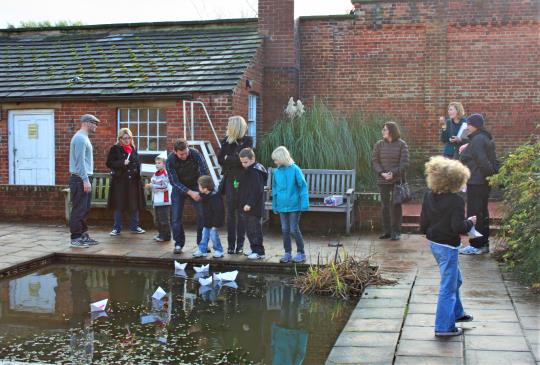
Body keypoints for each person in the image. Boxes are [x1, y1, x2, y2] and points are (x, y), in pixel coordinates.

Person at [420, 156, 476, 337]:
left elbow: (422, 225)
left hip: (435, 244)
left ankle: (457, 313)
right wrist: (470, 222)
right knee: (448, 286)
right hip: (448, 247)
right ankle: (444, 327)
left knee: (455, 280)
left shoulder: (428, 196)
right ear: (456, 180)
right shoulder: (456, 201)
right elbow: (457, 228)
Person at [459, 113, 497, 255]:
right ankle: (482, 244)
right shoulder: (480, 138)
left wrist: (487, 177)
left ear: (475, 125)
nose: (467, 127)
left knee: (475, 214)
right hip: (479, 181)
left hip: (477, 182)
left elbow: (482, 161)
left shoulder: (478, 139)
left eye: (468, 124)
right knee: (481, 213)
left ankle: (476, 245)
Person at [166, 139, 210, 254]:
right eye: (181, 154)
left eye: (186, 152)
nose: (184, 155)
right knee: (175, 217)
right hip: (179, 187)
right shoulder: (170, 160)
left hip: (196, 185)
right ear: (175, 152)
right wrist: (190, 192)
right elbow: (174, 182)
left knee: (203, 214)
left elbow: (204, 171)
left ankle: (202, 244)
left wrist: (201, 190)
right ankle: (178, 244)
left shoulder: (195, 154)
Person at [218, 116, 253, 255]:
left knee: (241, 213)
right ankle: (231, 245)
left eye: (228, 124)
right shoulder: (226, 141)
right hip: (229, 180)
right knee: (231, 214)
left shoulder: (247, 140)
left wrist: (230, 158)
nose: (227, 126)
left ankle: (240, 245)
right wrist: (233, 158)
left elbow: (244, 160)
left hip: (243, 180)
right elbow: (220, 159)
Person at [372, 122, 410, 240]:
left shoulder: (402, 145)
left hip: (396, 180)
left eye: (385, 130)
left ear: (391, 131)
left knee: (396, 206)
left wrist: (392, 173)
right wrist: (382, 173)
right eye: (383, 129)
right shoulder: (379, 144)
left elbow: (404, 163)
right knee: (384, 206)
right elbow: (375, 161)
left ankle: (396, 232)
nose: (382, 131)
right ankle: (386, 231)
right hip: (382, 180)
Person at [271, 146, 309, 264]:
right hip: (282, 206)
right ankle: (287, 253)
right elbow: (275, 189)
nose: (275, 162)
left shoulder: (295, 169)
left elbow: (303, 186)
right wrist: (275, 205)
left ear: (282, 158)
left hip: (294, 205)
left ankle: (301, 252)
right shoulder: (276, 172)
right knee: (285, 229)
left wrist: (304, 203)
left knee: (293, 229)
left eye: (276, 160)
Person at [106, 128, 146, 236]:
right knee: (119, 205)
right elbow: (109, 163)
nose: (127, 140)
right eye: (125, 138)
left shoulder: (133, 149)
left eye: (129, 138)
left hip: (133, 181)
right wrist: (122, 162)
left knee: (134, 205)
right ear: (120, 139)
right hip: (120, 181)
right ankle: (116, 228)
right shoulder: (115, 149)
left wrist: (139, 171)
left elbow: (137, 162)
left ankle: (135, 227)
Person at [69, 114, 100, 248]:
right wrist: (85, 180)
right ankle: (76, 238)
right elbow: (79, 162)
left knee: (85, 209)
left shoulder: (84, 137)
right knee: (79, 209)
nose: (96, 126)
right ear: (87, 123)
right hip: (80, 179)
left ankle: (83, 235)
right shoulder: (80, 138)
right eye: (95, 123)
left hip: (83, 178)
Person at [238, 148, 267, 260]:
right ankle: (254, 248)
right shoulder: (249, 169)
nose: (243, 164)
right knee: (249, 229)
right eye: (242, 162)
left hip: (253, 207)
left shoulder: (255, 172)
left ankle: (259, 251)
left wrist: (249, 203)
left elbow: (257, 190)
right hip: (246, 206)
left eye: (245, 162)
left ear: (252, 159)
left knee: (255, 229)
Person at [192, 175, 225, 258]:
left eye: (199, 186)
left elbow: (219, 212)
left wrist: (216, 224)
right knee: (204, 236)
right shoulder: (204, 195)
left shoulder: (215, 197)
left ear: (205, 188)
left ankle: (219, 250)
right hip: (206, 221)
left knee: (214, 236)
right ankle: (202, 250)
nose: (198, 187)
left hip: (213, 222)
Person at [145, 155, 172, 242]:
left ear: (164, 164)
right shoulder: (155, 174)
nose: (157, 165)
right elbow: (154, 184)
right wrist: (150, 186)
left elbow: (164, 186)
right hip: (156, 200)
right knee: (157, 219)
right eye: (156, 163)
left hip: (164, 201)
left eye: (159, 163)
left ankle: (166, 236)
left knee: (164, 220)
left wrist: (152, 185)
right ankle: (161, 234)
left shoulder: (166, 174)